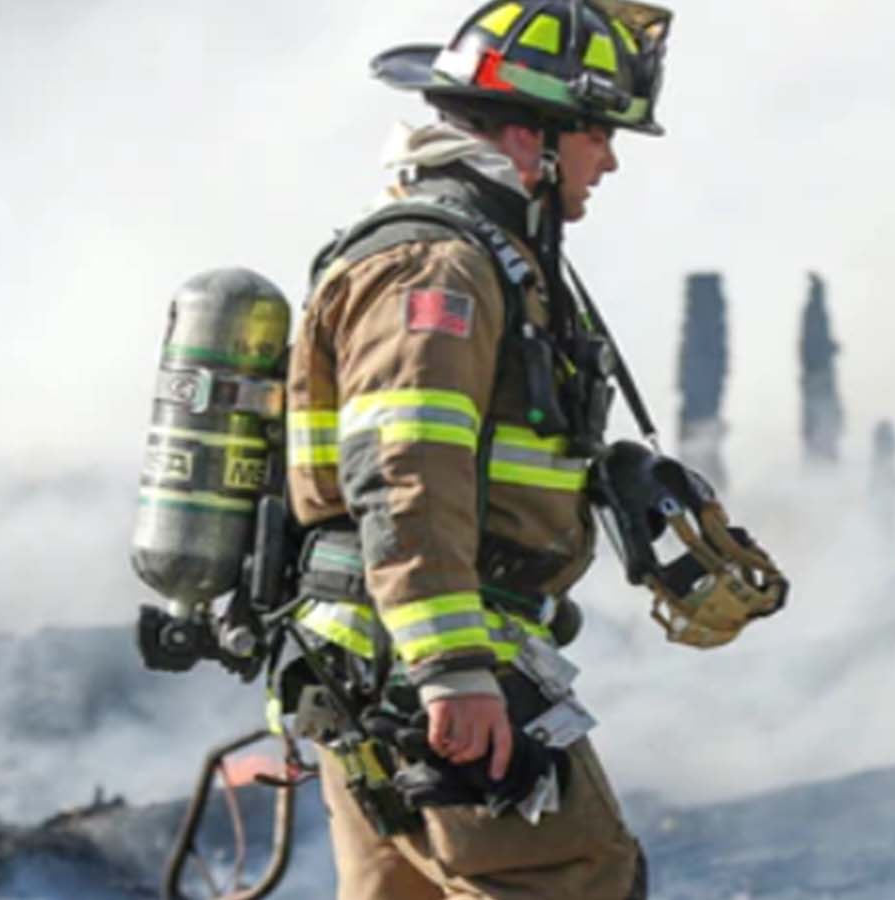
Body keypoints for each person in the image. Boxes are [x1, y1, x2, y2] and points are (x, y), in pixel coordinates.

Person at [280, 2, 672, 896]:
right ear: (534, 136)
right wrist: (452, 668)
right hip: (431, 655)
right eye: (599, 136)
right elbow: (405, 470)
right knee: (568, 877)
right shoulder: (439, 266)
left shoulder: (481, 254)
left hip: (383, 657)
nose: (608, 161)